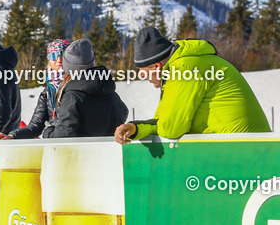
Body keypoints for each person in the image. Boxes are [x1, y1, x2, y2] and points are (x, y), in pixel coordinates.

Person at [115, 27, 270, 144]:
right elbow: (162, 120)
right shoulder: (184, 64)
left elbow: (170, 129)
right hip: (247, 145)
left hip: (245, 150)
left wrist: (162, 124)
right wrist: (135, 128)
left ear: (156, 67)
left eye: (142, 72)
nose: (141, 76)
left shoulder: (184, 68)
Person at [42, 38, 128, 138]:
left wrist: (48, 133)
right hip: (112, 150)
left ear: (69, 68)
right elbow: (123, 112)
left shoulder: (72, 97)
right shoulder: (109, 92)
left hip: (84, 151)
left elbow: (65, 133)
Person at [0, 39, 67, 140]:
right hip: (56, 145)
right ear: (48, 60)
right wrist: (12, 136)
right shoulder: (47, 92)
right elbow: (35, 126)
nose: (59, 60)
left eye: (63, 54)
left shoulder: (78, 83)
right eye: (54, 55)